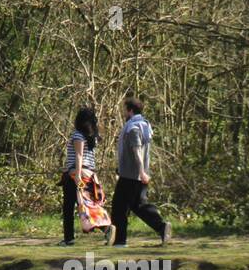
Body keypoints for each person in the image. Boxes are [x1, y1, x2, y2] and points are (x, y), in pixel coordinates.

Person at [111, 96, 170, 247]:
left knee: (129, 206)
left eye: (125, 110)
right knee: (128, 206)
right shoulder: (144, 125)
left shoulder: (133, 128)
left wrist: (142, 172)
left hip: (132, 176)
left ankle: (161, 227)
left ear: (130, 111)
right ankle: (120, 240)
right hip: (131, 174)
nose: (124, 112)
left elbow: (137, 150)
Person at [59, 107, 108, 245]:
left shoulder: (78, 135)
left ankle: (68, 238)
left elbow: (79, 156)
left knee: (69, 205)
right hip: (89, 175)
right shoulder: (92, 136)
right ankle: (106, 228)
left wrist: (77, 176)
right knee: (87, 203)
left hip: (76, 175)